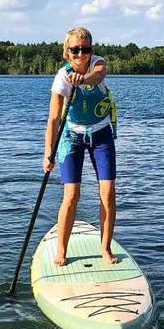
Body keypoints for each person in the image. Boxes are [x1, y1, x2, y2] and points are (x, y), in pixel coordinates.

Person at [43, 27, 118, 266]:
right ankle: (61, 251)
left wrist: (82, 80)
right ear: (67, 52)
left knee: (107, 193)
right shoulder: (61, 78)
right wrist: (48, 153)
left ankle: (105, 249)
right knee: (71, 195)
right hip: (71, 138)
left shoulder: (98, 64)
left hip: (101, 135)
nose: (81, 54)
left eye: (85, 49)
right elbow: (54, 119)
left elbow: (98, 75)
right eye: (75, 50)